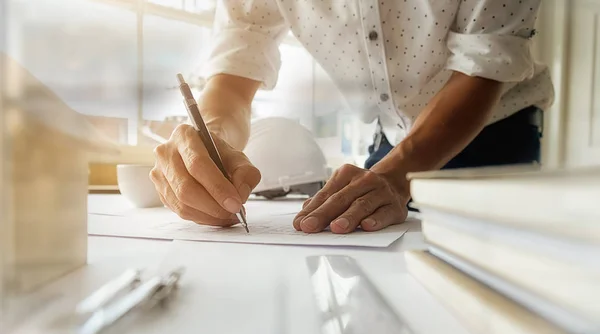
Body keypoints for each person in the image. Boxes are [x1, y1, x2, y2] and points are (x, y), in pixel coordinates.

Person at [150, 0, 553, 234]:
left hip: (493, 129)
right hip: (390, 140)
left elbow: (483, 63)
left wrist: (397, 177)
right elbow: (235, 76)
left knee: (482, 304)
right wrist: (211, 137)